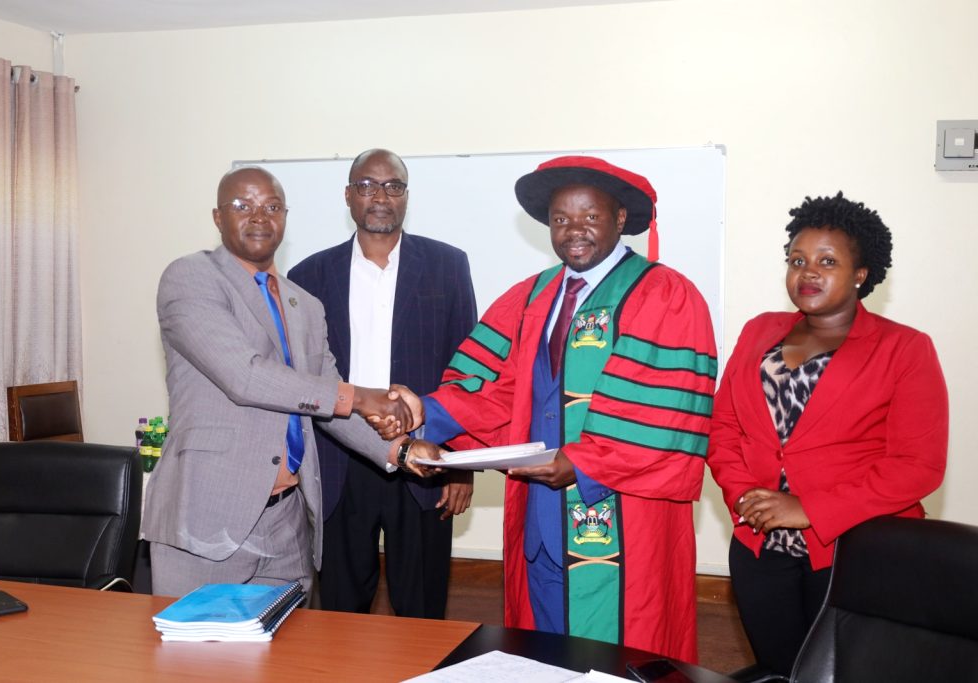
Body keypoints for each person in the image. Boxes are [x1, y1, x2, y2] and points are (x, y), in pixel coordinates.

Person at [394, 156, 718, 662]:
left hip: (619, 512)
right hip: (540, 512)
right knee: (544, 648)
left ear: (619, 219)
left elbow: (665, 411)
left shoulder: (664, 293)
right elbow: (496, 388)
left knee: (618, 651)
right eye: (561, 219)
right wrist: (423, 414)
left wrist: (584, 462)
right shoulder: (533, 295)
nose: (574, 231)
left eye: (590, 216)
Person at [141, 166, 441, 597]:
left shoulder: (305, 304)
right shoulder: (191, 278)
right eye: (242, 206)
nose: (259, 217)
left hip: (286, 523)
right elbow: (244, 376)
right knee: (198, 659)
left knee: (280, 660)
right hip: (207, 519)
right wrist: (361, 397)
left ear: (285, 216)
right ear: (217, 217)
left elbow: (326, 404)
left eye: (272, 207)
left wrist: (403, 449)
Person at [707, 192, 948, 676]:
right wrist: (745, 496)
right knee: (780, 667)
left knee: (847, 671)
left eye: (827, 261)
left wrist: (809, 510)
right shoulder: (760, 331)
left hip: (855, 550)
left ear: (861, 275)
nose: (808, 272)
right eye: (798, 260)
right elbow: (724, 427)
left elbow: (917, 466)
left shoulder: (905, 348)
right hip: (759, 545)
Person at [287, 149, 478, 618]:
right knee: (339, 610)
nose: (381, 197)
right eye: (368, 186)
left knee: (422, 608)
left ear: (406, 197)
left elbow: (466, 372)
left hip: (425, 461)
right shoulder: (308, 275)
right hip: (339, 461)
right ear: (349, 196)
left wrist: (461, 464)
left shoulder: (447, 266)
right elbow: (299, 381)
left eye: (393, 186)